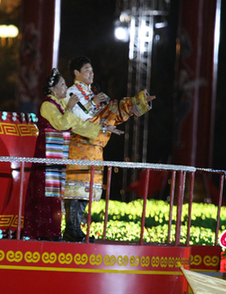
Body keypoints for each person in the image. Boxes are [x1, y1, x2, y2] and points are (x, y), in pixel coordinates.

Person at [63, 56, 155, 242]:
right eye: (87, 70)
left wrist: (136, 103)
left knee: (85, 194)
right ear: (76, 73)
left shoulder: (93, 93)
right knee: (76, 192)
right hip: (78, 149)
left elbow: (113, 112)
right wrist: (95, 103)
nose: (91, 73)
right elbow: (76, 119)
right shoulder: (71, 92)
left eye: (92, 70)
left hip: (95, 151)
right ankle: (71, 230)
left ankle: (76, 229)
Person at [22, 68, 121, 241]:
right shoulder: (47, 105)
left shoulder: (61, 106)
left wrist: (104, 128)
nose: (65, 88)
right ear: (52, 89)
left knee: (55, 196)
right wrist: (69, 108)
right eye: (62, 84)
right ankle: (41, 233)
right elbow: (61, 124)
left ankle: (52, 232)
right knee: (45, 195)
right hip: (47, 157)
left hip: (58, 156)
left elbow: (78, 125)